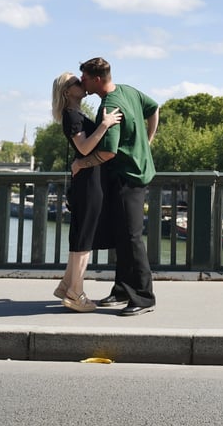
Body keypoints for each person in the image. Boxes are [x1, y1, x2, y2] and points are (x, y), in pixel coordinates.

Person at [71, 57, 158, 317]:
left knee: (131, 238)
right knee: (122, 235)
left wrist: (82, 163)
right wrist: (147, 141)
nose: (82, 81)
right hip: (138, 170)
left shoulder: (111, 105)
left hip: (125, 176)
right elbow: (154, 108)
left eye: (84, 77)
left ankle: (143, 297)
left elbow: (108, 152)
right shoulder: (128, 91)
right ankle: (122, 289)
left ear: (96, 79)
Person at [51, 72, 122, 312]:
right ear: (66, 91)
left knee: (80, 234)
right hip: (89, 183)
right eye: (74, 82)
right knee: (84, 238)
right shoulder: (71, 115)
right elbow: (83, 147)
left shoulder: (76, 114)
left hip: (89, 180)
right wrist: (104, 125)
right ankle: (75, 294)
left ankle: (67, 285)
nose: (80, 83)